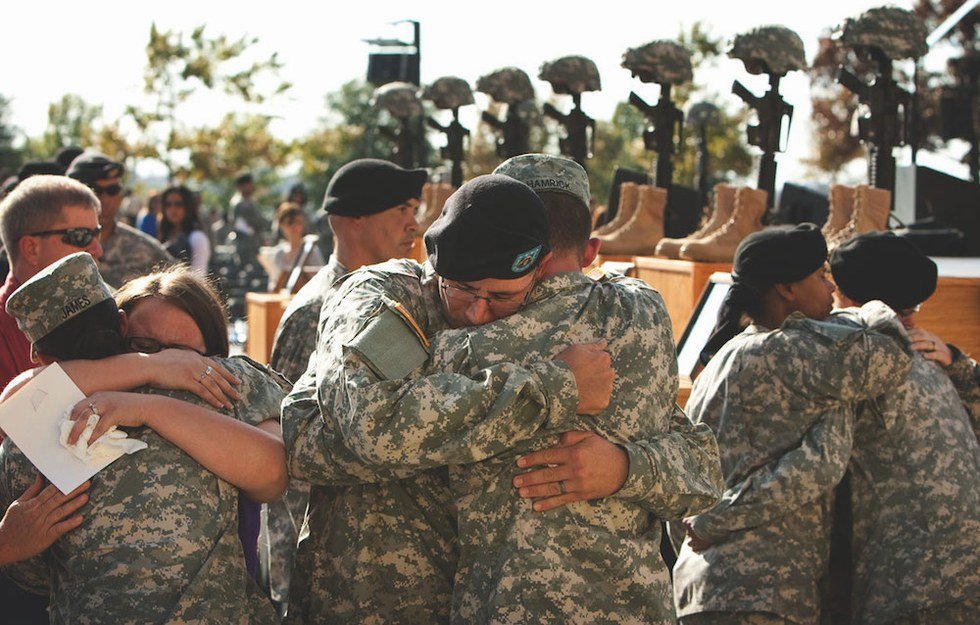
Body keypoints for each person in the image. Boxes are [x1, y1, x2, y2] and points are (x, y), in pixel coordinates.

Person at [0, 254, 288, 624]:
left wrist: (148, 408)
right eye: (144, 345)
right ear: (121, 331)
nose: (171, 367)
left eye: (184, 355)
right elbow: (17, 400)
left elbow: (273, 474)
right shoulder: (50, 411)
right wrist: (148, 367)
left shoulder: (228, 383)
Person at [671, 224, 915, 625]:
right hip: (762, 591)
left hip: (702, 586)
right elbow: (891, 353)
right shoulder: (790, 352)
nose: (831, 288)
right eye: (820, 276)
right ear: (786, 288)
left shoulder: (724, 357)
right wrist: (871, 308)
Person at [263, 158, 425, 612]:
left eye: (415, 210)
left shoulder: (399, 293)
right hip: (331, 559)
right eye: (402, 210)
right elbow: (286, 444)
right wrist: (289, 573)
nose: (414, 224)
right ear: (353, 219)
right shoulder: (315, 311)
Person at [828, 232, 979, 624]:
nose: (910, 321)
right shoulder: (915, 359)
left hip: (909, 587)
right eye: (901, 310)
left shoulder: (854, 361)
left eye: (914, 307)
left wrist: (957, 362)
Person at [0, 175, 104, 391]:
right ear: (31, 248)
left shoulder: (111, 306)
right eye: (81, 236)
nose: (97, 249)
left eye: (97, 234)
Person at [65, 151, 172, 286]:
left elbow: (183, 288)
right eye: (95, 190)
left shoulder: (145, 250)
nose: (104, 200)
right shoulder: (52, 245)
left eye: (113, 190)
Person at [264, 202, 324, 292]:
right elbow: (272, 286)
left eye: (298, 223)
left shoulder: (311, 250)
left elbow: (321, 281)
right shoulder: (278, 253)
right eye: (290, 223)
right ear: (281, 225)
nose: (295, 227)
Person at [158, 185, 211, 275]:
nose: (173, 209)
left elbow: (199, 276)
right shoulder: (164, 235)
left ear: (188, 207)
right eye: (168, 204)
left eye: (178, 204)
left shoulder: (197, 237)